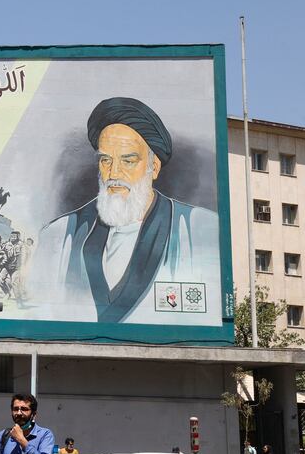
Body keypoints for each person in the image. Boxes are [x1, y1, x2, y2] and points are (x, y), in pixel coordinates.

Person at [30, 96, 220, 324]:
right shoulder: (59, 235)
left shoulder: (197, 229)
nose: (113, 173)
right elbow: (38, 310)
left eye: (128, 161)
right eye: (105, 160)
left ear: (154, 167)